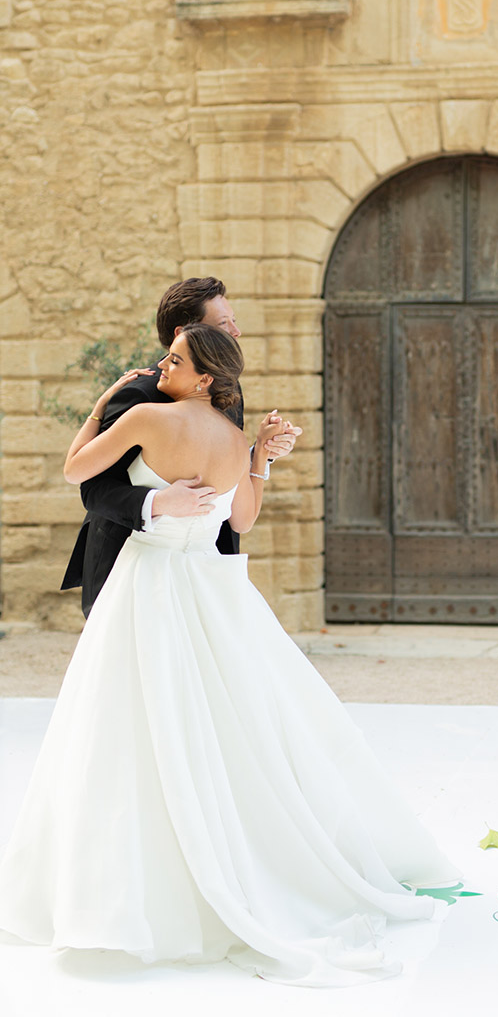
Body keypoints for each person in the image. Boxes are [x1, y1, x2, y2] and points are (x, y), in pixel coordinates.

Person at [0, 325, 458, 987]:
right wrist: (259, 459)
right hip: (206, 593)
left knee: (122, 728)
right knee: (217, 730)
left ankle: (125, 894)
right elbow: (239, 520)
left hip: (147, 582)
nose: (165, 363)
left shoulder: (148, 417)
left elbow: (77, 469)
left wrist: (103, 401)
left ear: (206, 376)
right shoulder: (231, 438)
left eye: (177, 359)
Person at [61, 275, 300, 618]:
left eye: (234, 321)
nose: (235, 332)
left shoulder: (228, 398)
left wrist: (261, 454)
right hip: (127, 567)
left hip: (204, 567)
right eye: (223, 323)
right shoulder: (139, 396)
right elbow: (94, 487)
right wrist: (158, 502)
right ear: (185, 334)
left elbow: (224, 485)